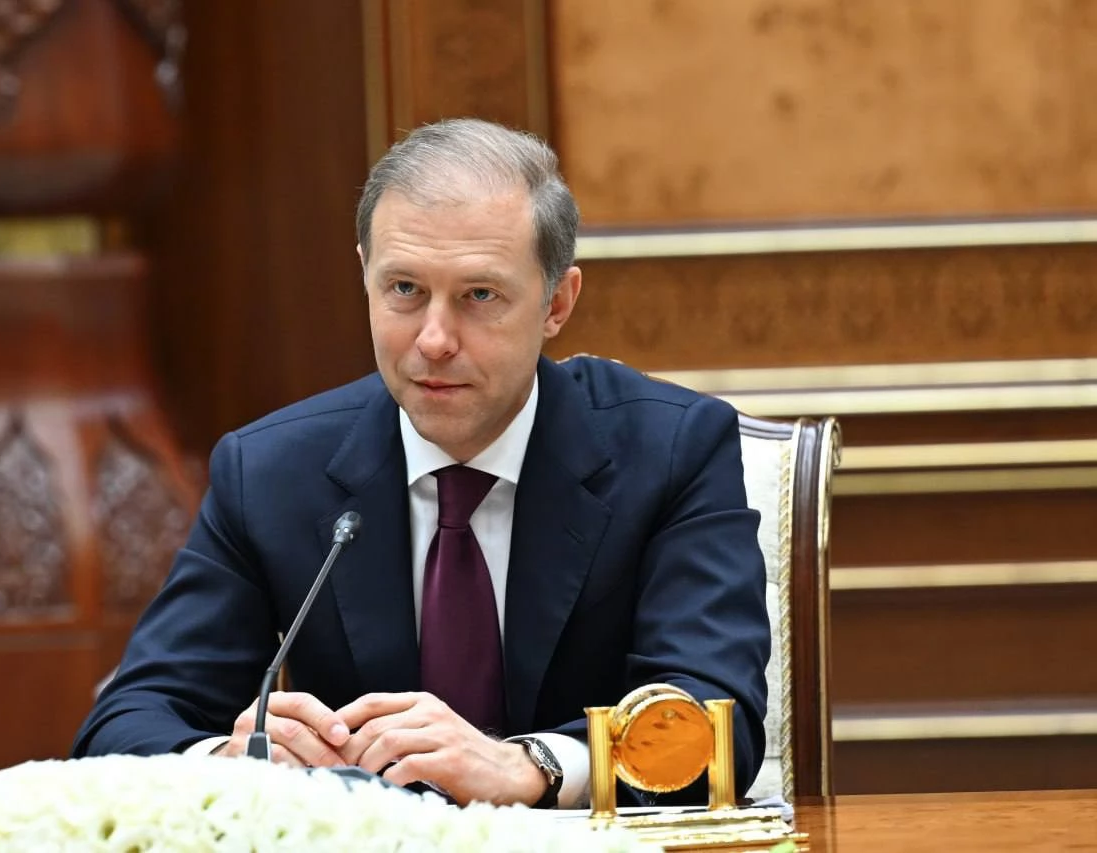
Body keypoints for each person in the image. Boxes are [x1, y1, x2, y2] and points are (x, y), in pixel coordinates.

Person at [73, 118, 769, 809]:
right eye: (404, 289)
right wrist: (230, 764)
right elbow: (124, 723)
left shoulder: (673, 450)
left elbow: (717, 724)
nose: (434, 340)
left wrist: (530, 766)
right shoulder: (270, 471)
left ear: (557, 302)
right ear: (365, 278)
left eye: (480, 295)